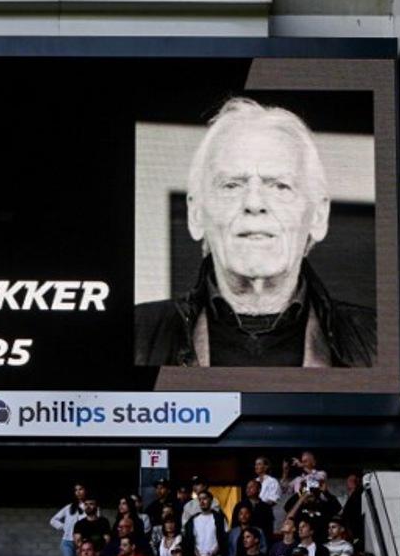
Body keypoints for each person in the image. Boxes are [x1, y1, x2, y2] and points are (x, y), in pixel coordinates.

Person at [134, 99, 376, 368]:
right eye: (231, 185)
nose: (254, 203)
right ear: (195, 214)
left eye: (280, 186)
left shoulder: (380, 341)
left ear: (319, 216)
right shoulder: (135, 335)